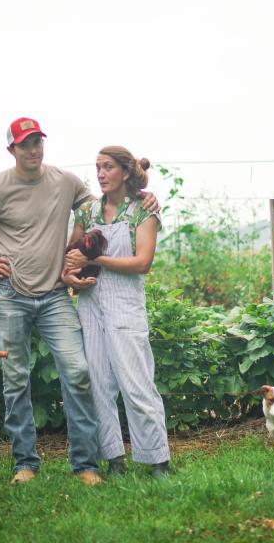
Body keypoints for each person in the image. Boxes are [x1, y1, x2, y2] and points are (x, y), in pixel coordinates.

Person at [0, 116, 157, 486]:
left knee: (78, 372)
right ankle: (25, 464)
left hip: (56, 296)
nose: (33, 149)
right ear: (12, 149)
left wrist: (142, 195)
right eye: (25, 144)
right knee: (15, 379)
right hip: (11, 296)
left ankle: (86, 464)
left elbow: (105, 206)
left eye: (37, 142)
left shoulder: (65, 182)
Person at [62, 146, 171, 478]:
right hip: (91, 303)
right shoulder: (87, 212)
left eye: (108, 167)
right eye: (97, 168)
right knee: (97, 383)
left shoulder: (142, 212)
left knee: (136, 382)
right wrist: (69, 275)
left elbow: (142, 263)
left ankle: (157, 461)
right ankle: (114, 459)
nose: (100, 174)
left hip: (125, 304)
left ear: (125, 172)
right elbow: (71, 254)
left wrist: (95, 260)